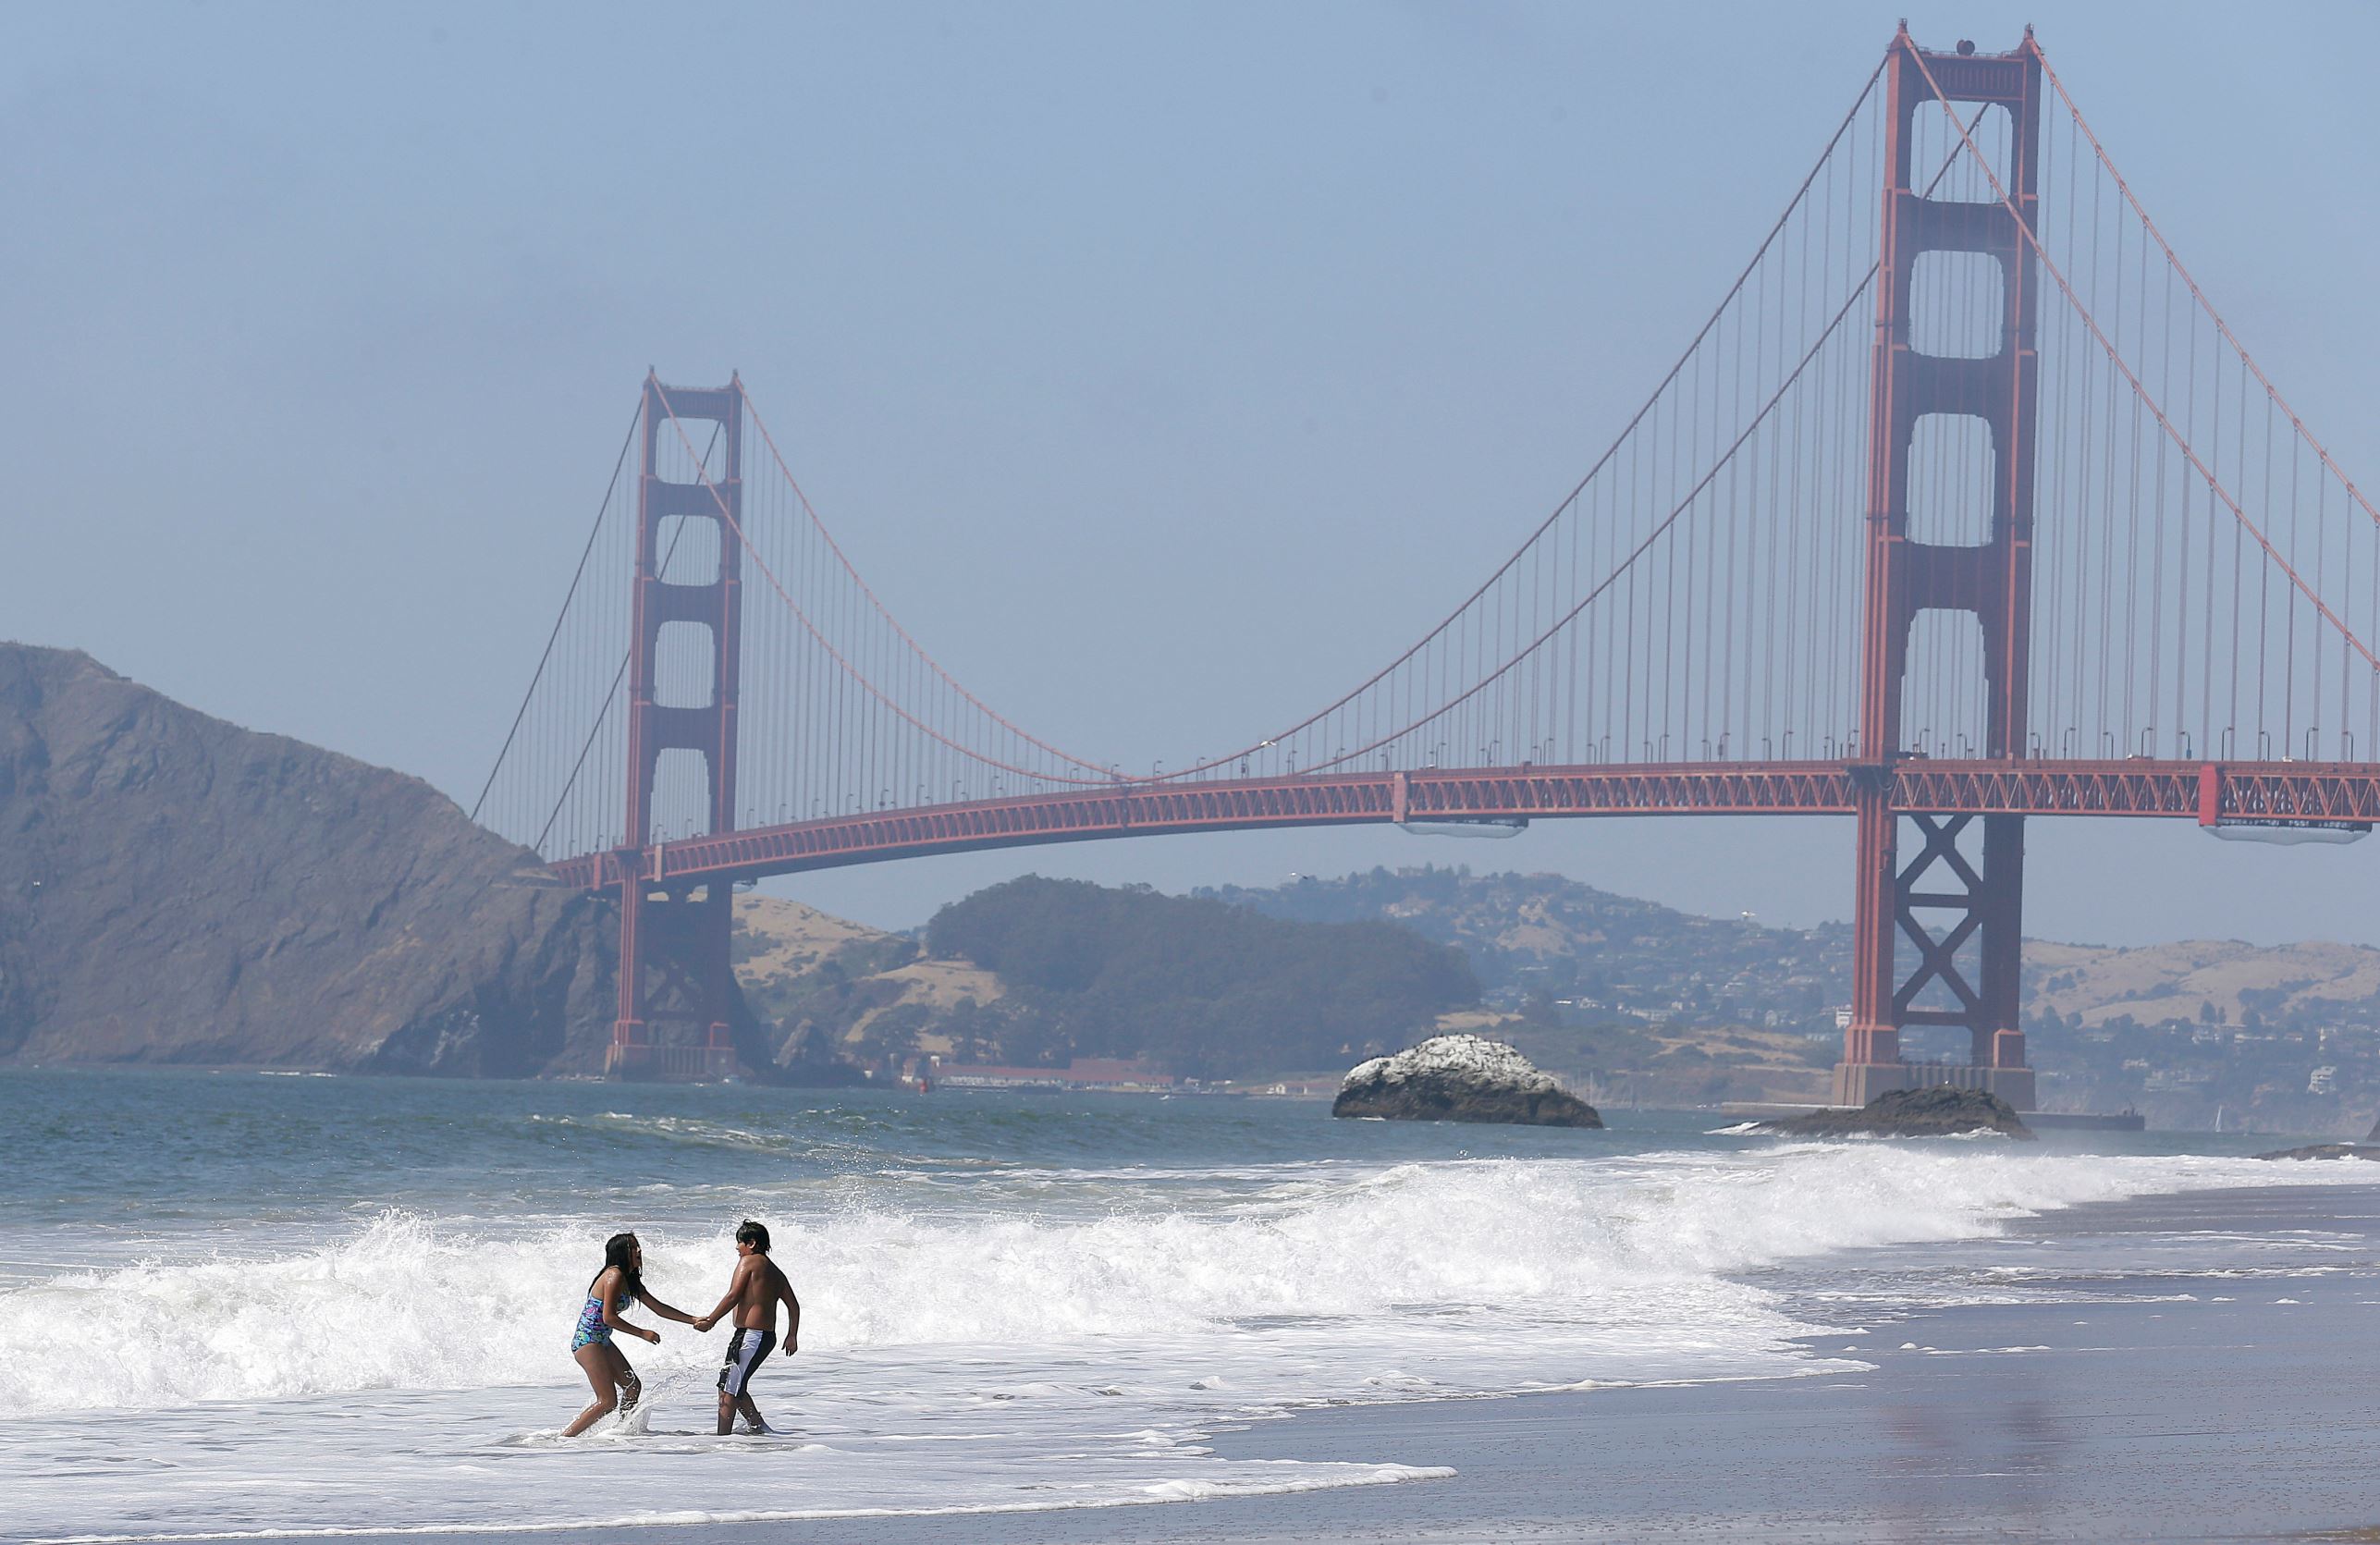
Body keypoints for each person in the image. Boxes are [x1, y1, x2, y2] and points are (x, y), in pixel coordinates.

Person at [562, 1232, 700, 1438]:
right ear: (621, 1253)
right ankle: (564, 1439)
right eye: (633, 1247)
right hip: (588, 1341)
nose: (639, 1251)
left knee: (632, 1386)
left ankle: (622, 1432)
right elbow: (609, 1317)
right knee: (607, 1401)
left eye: (638, 1246)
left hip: (602, 1341)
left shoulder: (629, 1279)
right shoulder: (613, 1275)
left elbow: (659, 1308)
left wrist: (694, 1320)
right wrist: (642, 1333)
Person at [693, 1219, 802, 1435]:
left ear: (751, 1243)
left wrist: (711, 1320)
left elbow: (733, 1295)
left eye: (739, 1243)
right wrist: (792, 1335)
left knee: (727, 1389)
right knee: (736, 1385)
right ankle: (760, 1428)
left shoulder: (749, 1262)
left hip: (751, 1336)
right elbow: (794, 1305)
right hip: (764, 1337)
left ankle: (721, 1438)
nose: (737, 1247)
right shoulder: (775, 1271)